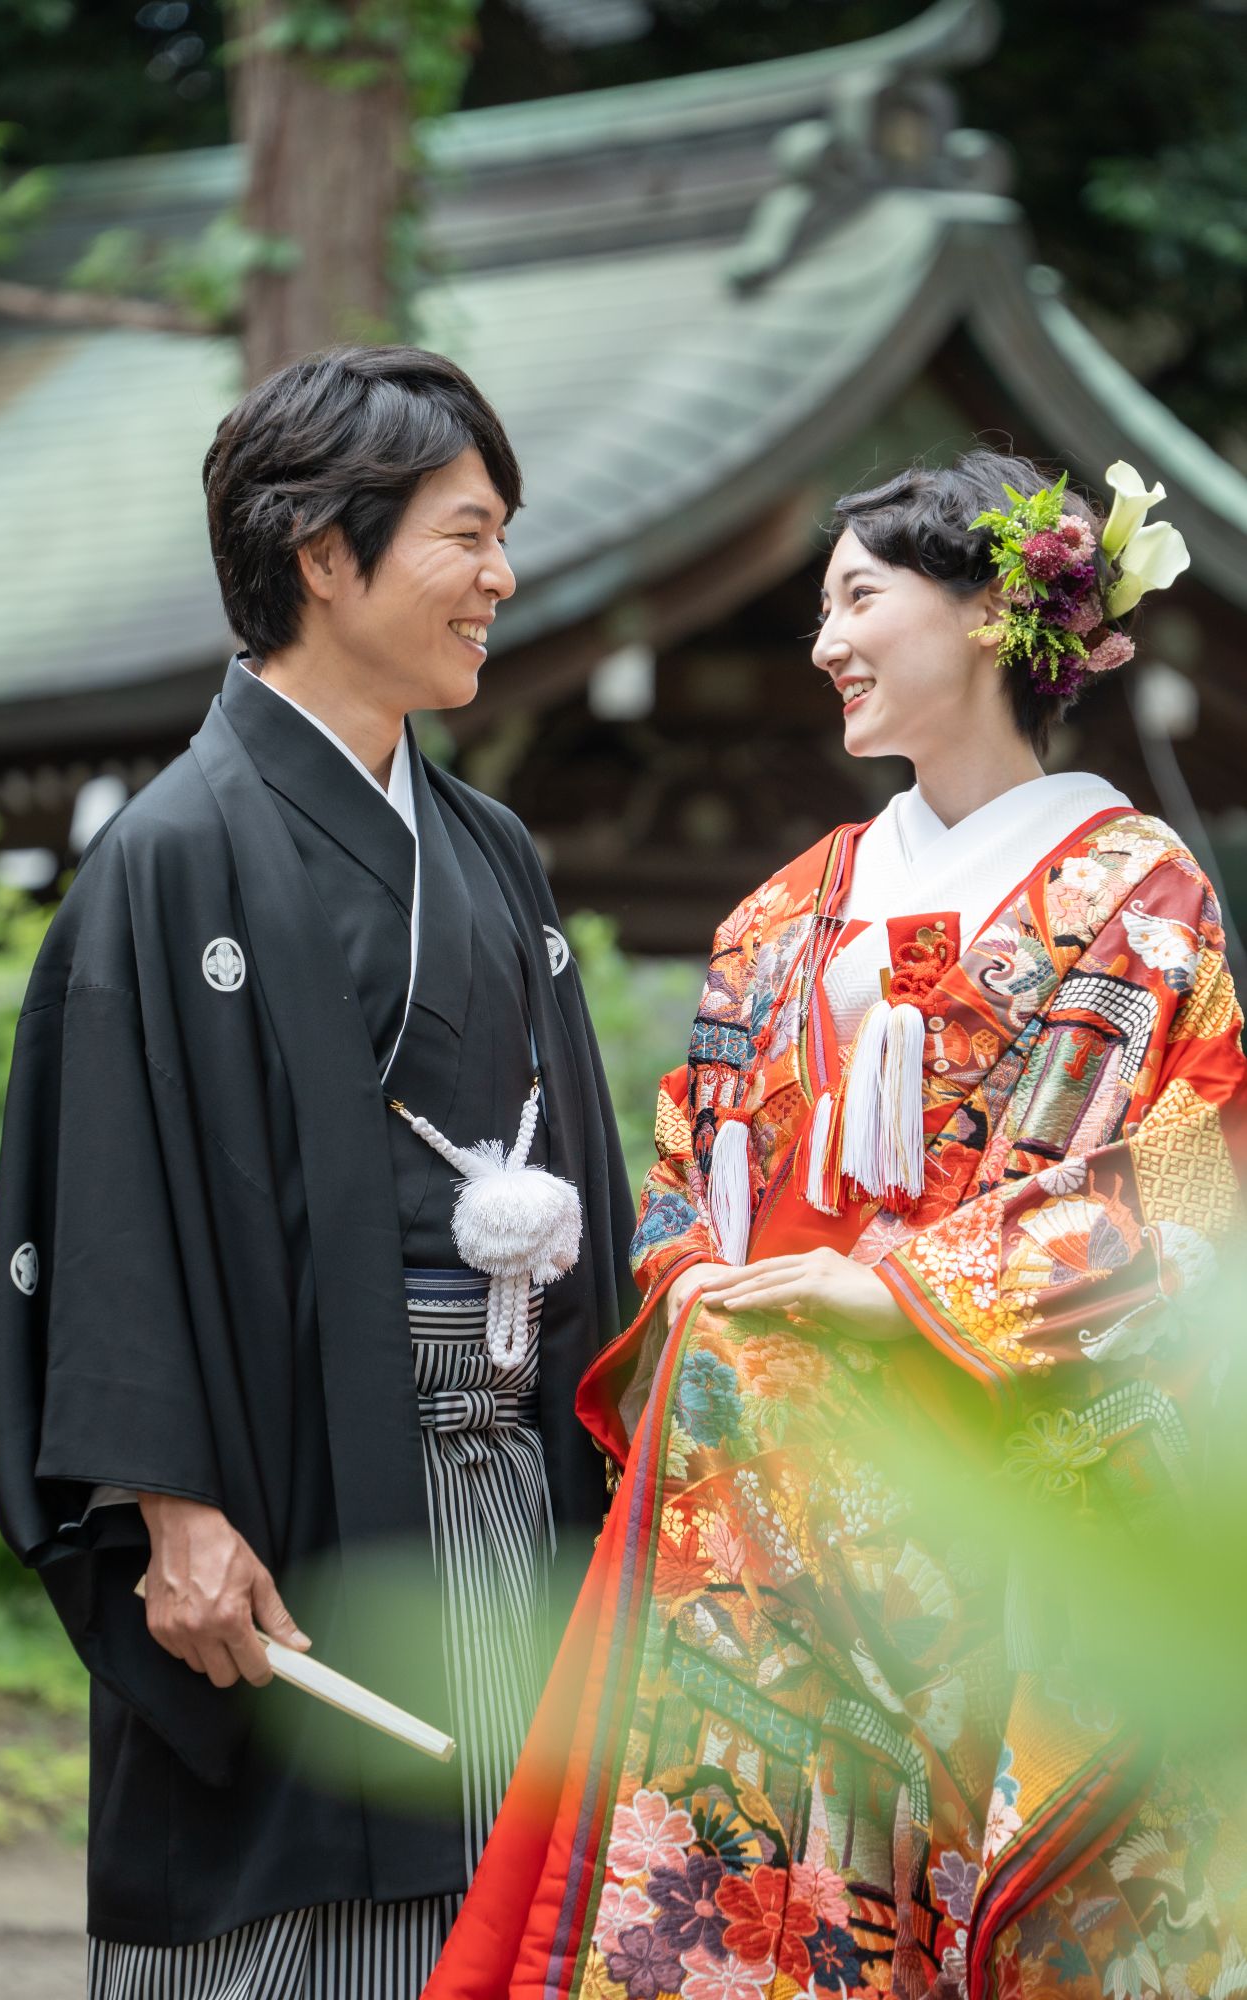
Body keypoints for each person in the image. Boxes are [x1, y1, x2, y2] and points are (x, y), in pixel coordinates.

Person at [424, 450, 1247, 2000]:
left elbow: (1206, 1177)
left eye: (859, 597)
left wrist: (910, 1295)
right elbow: (678, 1186)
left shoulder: (1144, 900)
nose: (824, 643)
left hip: (1002, 1476)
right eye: (819, 607)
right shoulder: (784, 907)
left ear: (998, 615)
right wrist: (712, 1291)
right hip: (776, 1504)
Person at [0, 345, 636, 1998]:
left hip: (501, 1471)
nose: (499, 578)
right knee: (304, 1920)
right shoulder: (175, 848)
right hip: (281, 1485)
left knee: (504, 1890)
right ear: (322, 556)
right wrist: (167, 1506)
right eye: (464, 534)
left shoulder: (487, 851)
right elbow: (108, 1195)